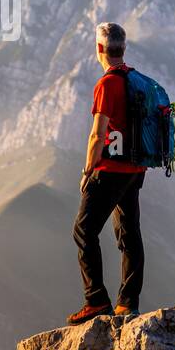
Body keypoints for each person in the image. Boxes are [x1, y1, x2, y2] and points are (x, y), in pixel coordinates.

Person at [68, 22, 146, 324]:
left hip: (110, 169)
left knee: (84, 230)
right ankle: (128, 303)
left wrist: (88, 170)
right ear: (122, 49)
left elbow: (97, 135)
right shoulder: (135, 80)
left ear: (99, 49)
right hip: (135, 169)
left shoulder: (107, 84)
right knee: (129, 233)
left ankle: (96, 300)